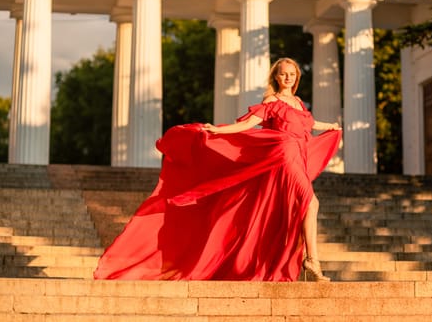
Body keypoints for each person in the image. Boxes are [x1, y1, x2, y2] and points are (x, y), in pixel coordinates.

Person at [93, 57, 342, 282]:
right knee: (310, 203)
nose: (287, 77)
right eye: (283, 73)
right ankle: (312, 261)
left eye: (292, 74)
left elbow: (308, 124)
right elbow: (247, 125)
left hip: (299, 156)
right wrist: (219, 130)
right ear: (275, 77)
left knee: (298, 208)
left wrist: (329, 126)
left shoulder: (298, 103)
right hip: (283, 156)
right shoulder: (272, 101)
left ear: (297, 77)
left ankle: (307, 259)